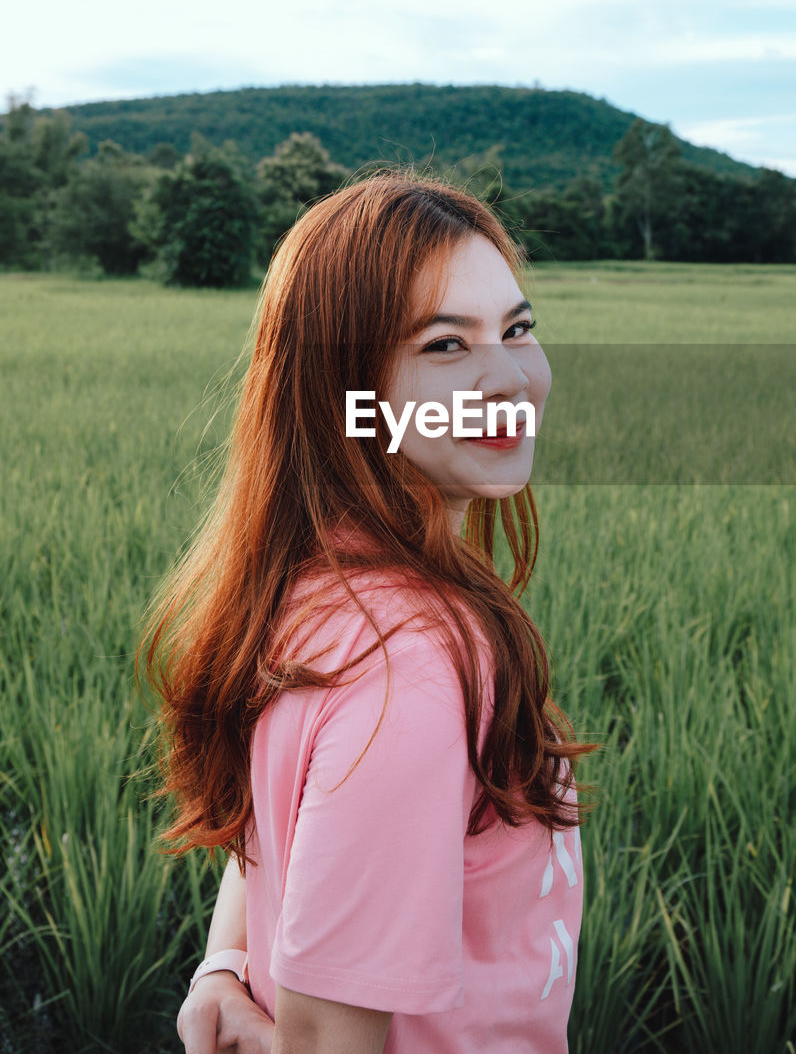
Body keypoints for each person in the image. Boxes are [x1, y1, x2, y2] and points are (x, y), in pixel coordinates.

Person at [141, 169, 595, 1054]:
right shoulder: (408, 673)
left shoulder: (313, 582)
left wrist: (224, 965)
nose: (508, 379)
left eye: (517, 329)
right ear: (345, 396)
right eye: (443, 347)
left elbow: (287, 826)